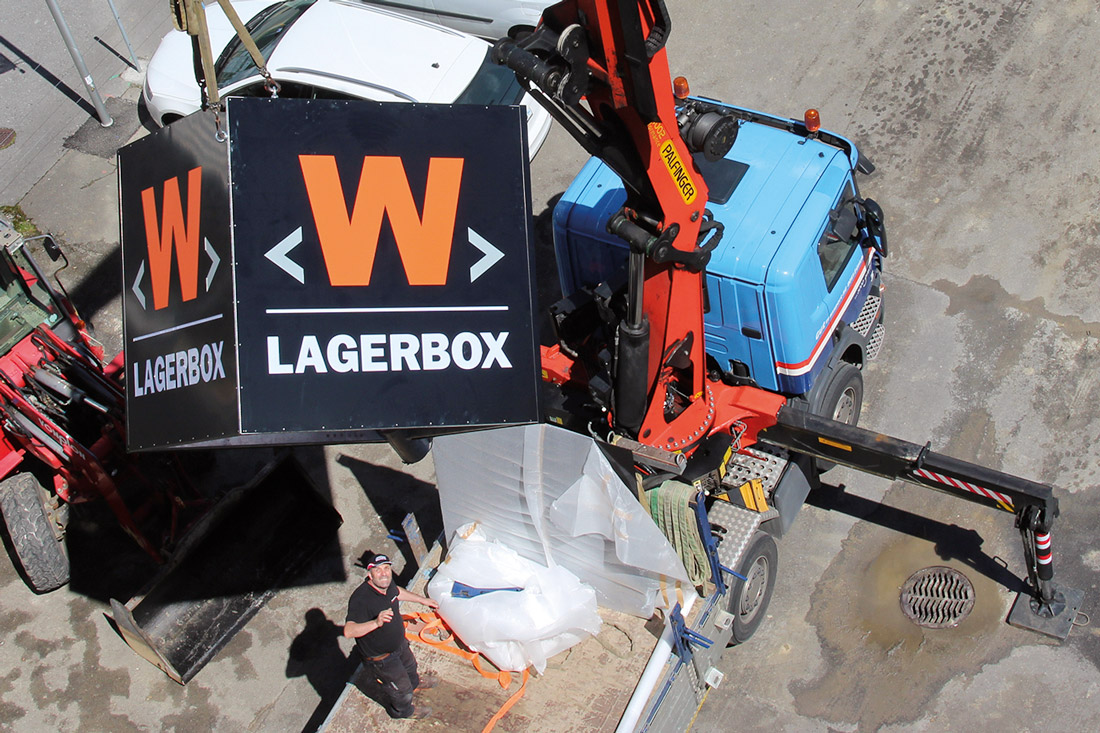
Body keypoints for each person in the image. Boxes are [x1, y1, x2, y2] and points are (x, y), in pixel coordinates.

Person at [344, 553, 439, 719]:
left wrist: (422, 600)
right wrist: (376, 623)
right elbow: (349, 631)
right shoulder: (361, 599)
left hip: (399, 645)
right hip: (382, 659)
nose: (383, 573)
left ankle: (415, 683)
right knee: (401, 690)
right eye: (378, 570)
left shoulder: (386, 585)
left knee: (411, 667)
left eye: (386, 568)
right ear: (369, 575)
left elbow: (397, 592)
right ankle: (403, 711)